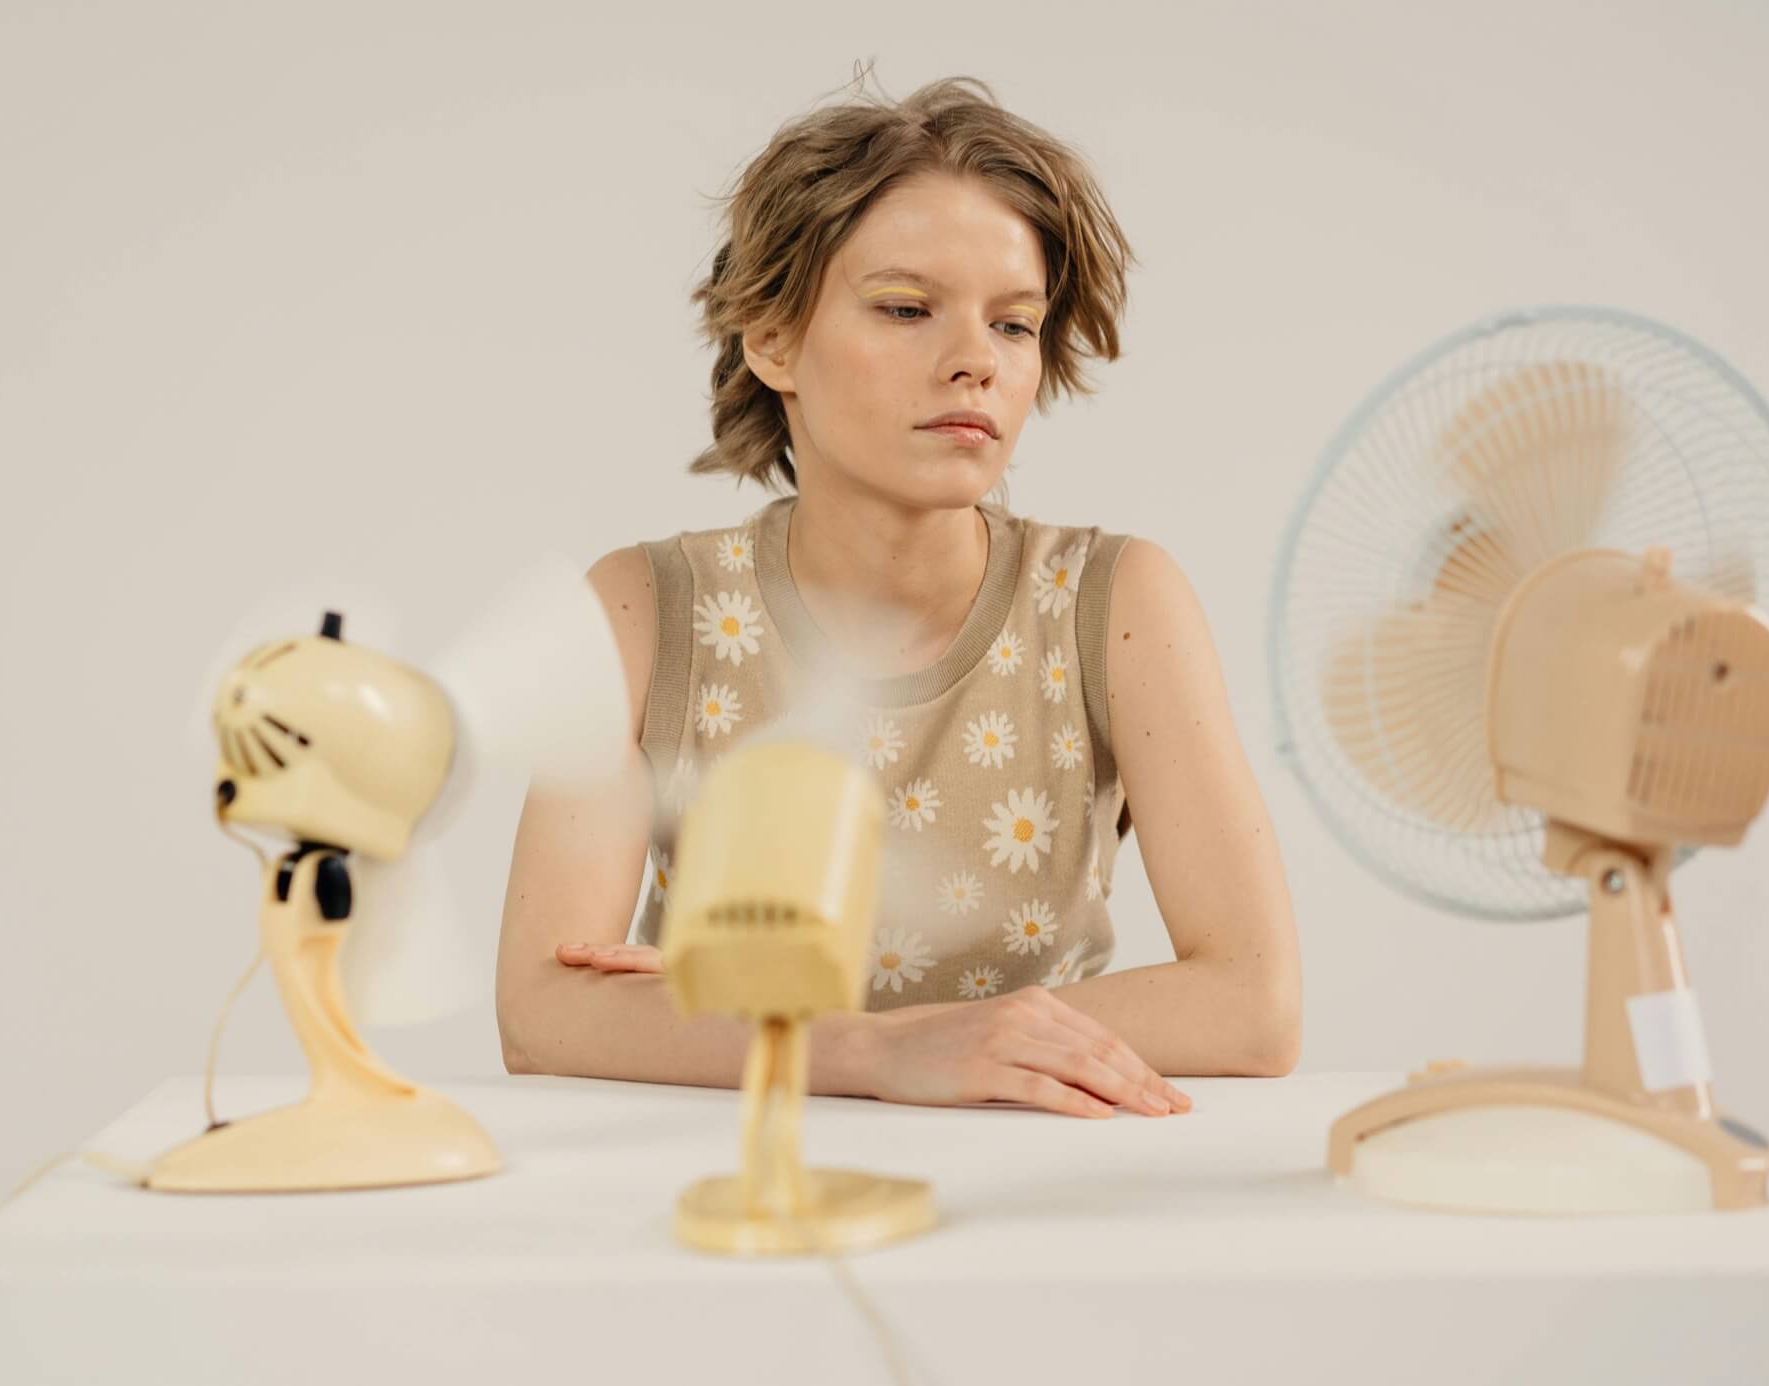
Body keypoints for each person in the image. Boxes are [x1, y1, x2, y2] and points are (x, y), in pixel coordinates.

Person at [496, 69, 1299, 1120]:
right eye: (908, 309)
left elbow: (1255, 1004)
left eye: (1015, 325)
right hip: (724, 1181)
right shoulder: (641, 611)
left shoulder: (1116, 603)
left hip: (1038, 1175)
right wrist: (881, 1056)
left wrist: (807, 1041)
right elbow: (541, 1011)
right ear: (772, 339)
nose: (976, 362)